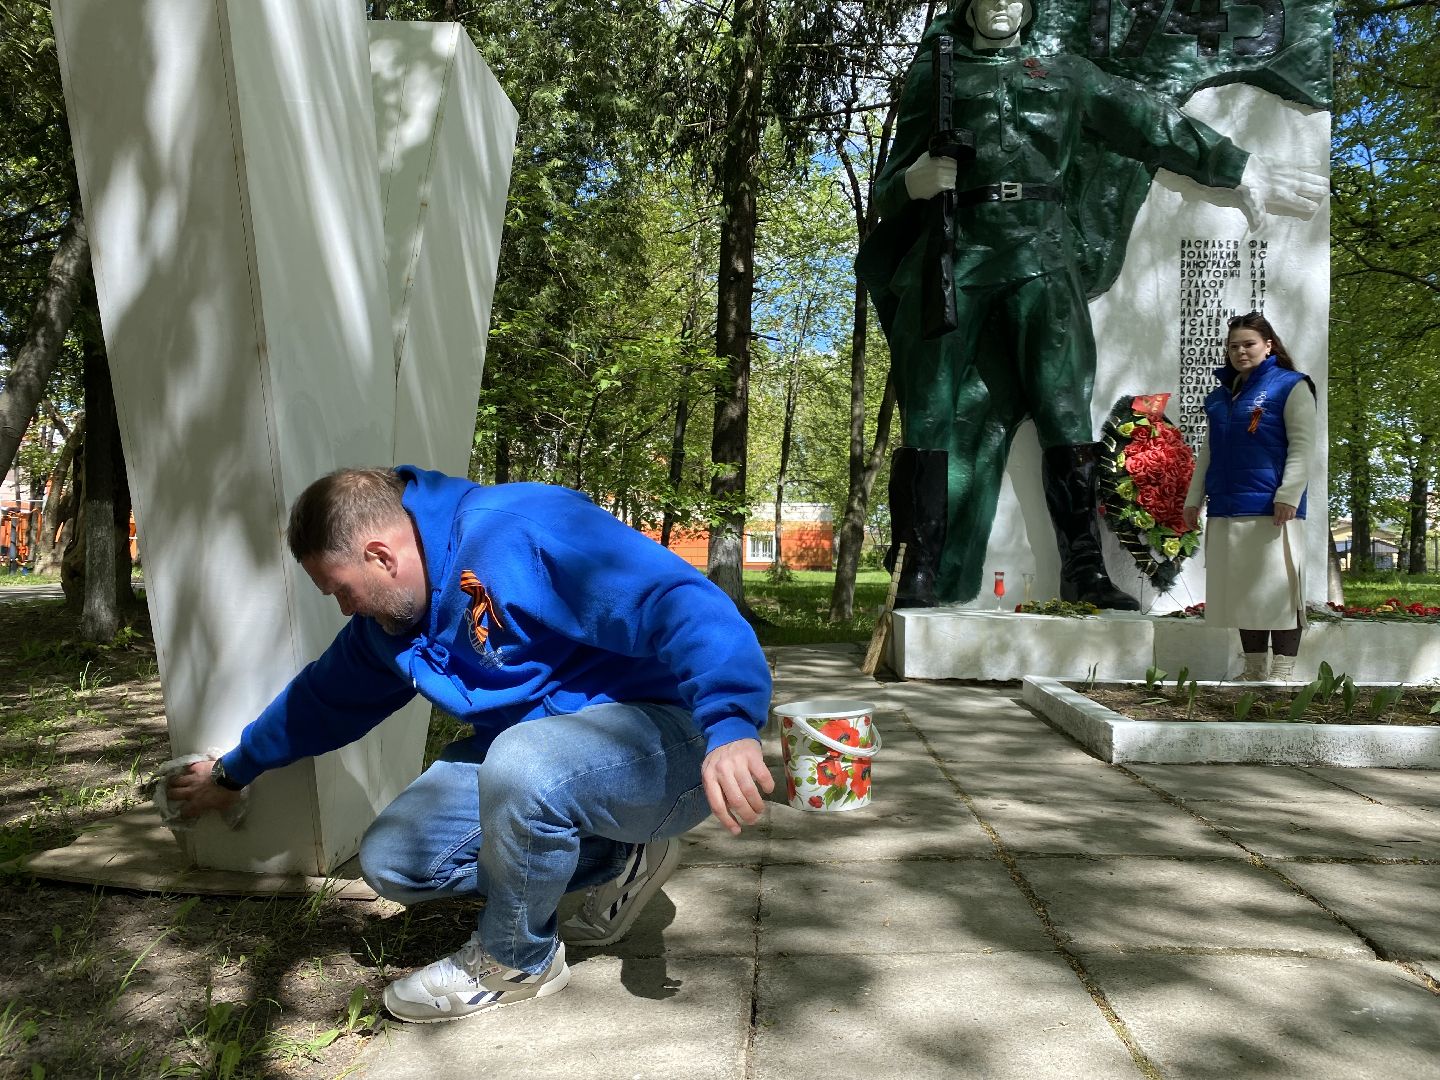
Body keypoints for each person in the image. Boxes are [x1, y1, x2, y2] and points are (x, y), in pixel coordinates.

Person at [166, 465, 774, 1022]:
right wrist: (229, 774)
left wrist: (731, 722)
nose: (344, 606)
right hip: (545, 760)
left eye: (340, 589)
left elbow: (679, 603)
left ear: (381, 554)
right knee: (395, 860)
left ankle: (518, 962)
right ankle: (622, 855)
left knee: (522, 761)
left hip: (676, 736)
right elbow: (321, 702)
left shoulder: (521, 527)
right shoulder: (390, 626)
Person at [857, 0, 1327, 608]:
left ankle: (1084, 570)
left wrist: (1241, 169)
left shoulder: (1069, 74)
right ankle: (921, 568)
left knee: (1064, 408)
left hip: (1042, 254)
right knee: (930, 410)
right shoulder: (936, 74)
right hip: (956, 253)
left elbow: (1151, 123)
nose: (1000, 4)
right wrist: (912, 182)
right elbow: (892, 184)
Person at [1183, 311, 1316, 681]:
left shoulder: (1291, 386)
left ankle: (1283, 673)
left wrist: (1288, 494)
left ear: (1268, 345)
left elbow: (1303, 447)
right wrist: (1194, 499)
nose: (1241, 351)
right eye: (1234, 346)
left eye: (1249, 344)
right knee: (1244, 593)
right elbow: (1208, 452)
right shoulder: (1221, 397)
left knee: (1279, 594)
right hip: (1228, 508)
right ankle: (1254, 673)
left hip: (1272, 509)